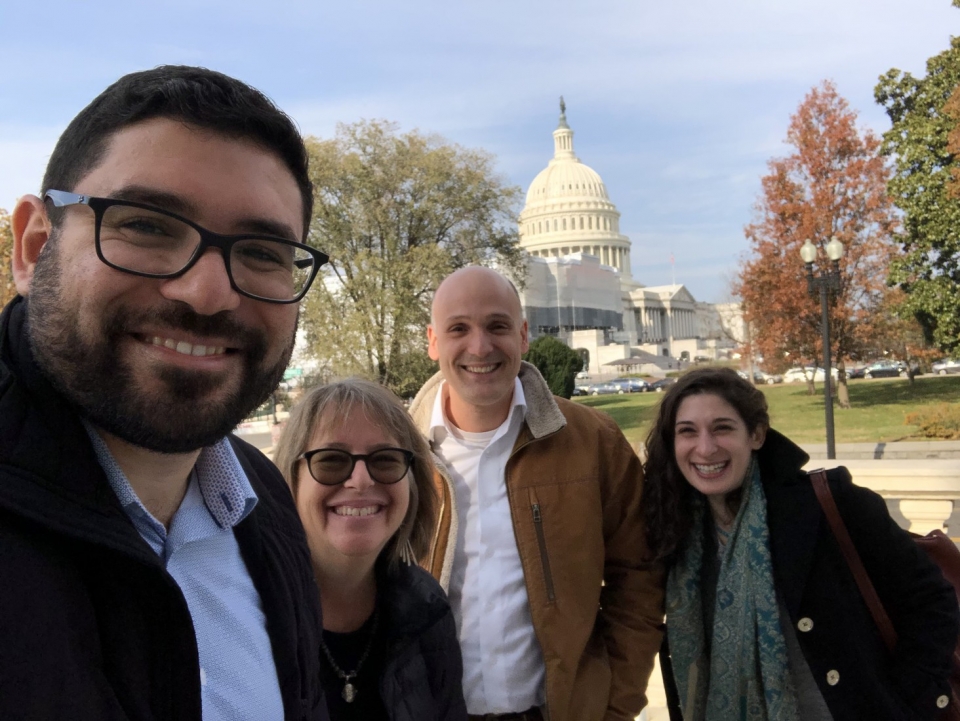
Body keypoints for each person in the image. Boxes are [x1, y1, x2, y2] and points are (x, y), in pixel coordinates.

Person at [0, 66, 330, 720]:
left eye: (262, 251)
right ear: (35, 246)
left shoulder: (266, 503)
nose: (208, 293)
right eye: (148, 226)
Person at [408, 265, 665, 721]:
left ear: (524, 335)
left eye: (497, 326)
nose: (480, 346)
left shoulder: (593, 441)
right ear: (433, 342)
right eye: (458, 329)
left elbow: (638, 581)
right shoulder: (396, 454)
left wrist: (615, 705)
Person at [643, 367, 959, 720]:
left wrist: (904, 699)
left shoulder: (828, 505)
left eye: (722, 428)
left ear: (757, 434)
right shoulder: (671, 531)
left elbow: (933, 601)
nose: (705, 448)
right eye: (688, 432)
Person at [273, 378, 467, 721]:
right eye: (331, 460)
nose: (361, 480)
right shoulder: (251, 618)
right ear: (291, 480)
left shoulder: (427, 610)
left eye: (385, 459)